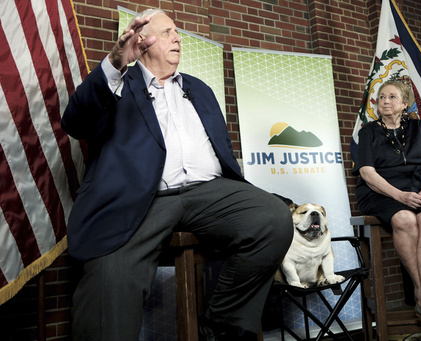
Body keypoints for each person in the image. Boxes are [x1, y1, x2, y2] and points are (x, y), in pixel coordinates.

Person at [61, 9, 293, 341]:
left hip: (207, 192)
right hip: (143, 199)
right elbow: (75, 123)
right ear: (143, 40)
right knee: (110, 276)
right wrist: (113, 64)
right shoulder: (117, 84)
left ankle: (222, 324)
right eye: (168, 31)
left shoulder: (199, 89)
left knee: (272, 217)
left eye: (177, 31)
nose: (178, 37)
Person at [352, 80, 421, 331]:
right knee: (405, 219)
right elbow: (367, 173)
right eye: (381, 97)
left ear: (404, 104)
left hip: (418, 186)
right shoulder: (368, 132)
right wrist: (399, 196)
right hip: (381, 190)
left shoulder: (418, 127)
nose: (385, 101)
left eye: (391, 97)